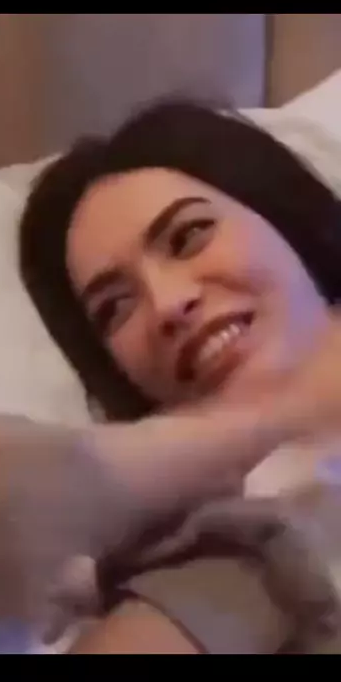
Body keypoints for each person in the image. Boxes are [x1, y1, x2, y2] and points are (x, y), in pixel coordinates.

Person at [18, 100, 341, 652]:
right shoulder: (239, 546)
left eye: (188, 237)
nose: (166, 304)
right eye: (115, 307)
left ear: (283, 217)